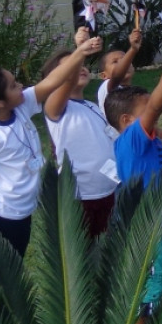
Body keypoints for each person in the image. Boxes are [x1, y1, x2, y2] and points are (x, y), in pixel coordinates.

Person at [0, 34, 103, 257]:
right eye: (13, 86)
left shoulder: (20, 107)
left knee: (15, 265)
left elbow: (52, 81)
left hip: (23, 213)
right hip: (2, 216)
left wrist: (80, 52)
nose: (21, 86)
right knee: (1, 273)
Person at [105, 51, 162, 324]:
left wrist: (159, 131)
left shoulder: (140, 141)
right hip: (154, 229)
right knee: (154, 283)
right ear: (127, 120)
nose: (152, 111)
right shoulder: (132, 140)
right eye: (146, 108)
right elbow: (156, 110)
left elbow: (151, 118)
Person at [41, 27, 121, 237]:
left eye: (81, 63)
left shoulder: (91, 105)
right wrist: (80, 49)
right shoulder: (55, 107)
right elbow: (66, 81)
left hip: (107, 191)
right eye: (69, 66)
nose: (81, 67)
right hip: (80, 197)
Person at [97, 27, 142, 118]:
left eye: (125, 60)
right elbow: (117, 76)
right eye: (115, 62)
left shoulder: (135, 92)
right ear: (104, 75)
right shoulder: (106, 88)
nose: (124, 63)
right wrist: (133, 49)